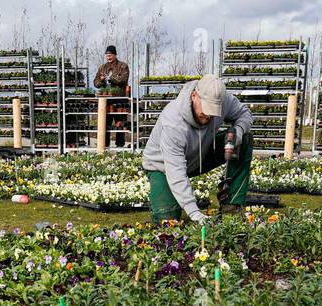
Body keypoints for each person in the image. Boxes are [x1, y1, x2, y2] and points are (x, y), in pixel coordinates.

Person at [141, 73, 252, 224]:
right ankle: (161, 204)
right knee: (167, 219)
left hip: (200, 153)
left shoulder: (223, 99)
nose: (208, 116)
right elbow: (176, 172)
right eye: (206, 109)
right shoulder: (173, 123)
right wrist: (195, 213)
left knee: (245, 139)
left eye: (213, 111)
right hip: (162, 166)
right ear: (194, 96)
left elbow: (244, 113)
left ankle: (231, 205)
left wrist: (238, 132)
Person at [94, 45, 130, 148]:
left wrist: (111, 78)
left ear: (115, 55)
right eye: (107, 55)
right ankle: (104, 146)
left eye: (110, 55)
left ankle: (120, 147)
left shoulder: (123, 66)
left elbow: (123, 79)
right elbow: (95, 83)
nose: (108, 57)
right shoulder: (102, 67)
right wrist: (101, 80)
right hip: (106, 101)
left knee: (120, 124)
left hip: (119, 100)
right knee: (105, 123)